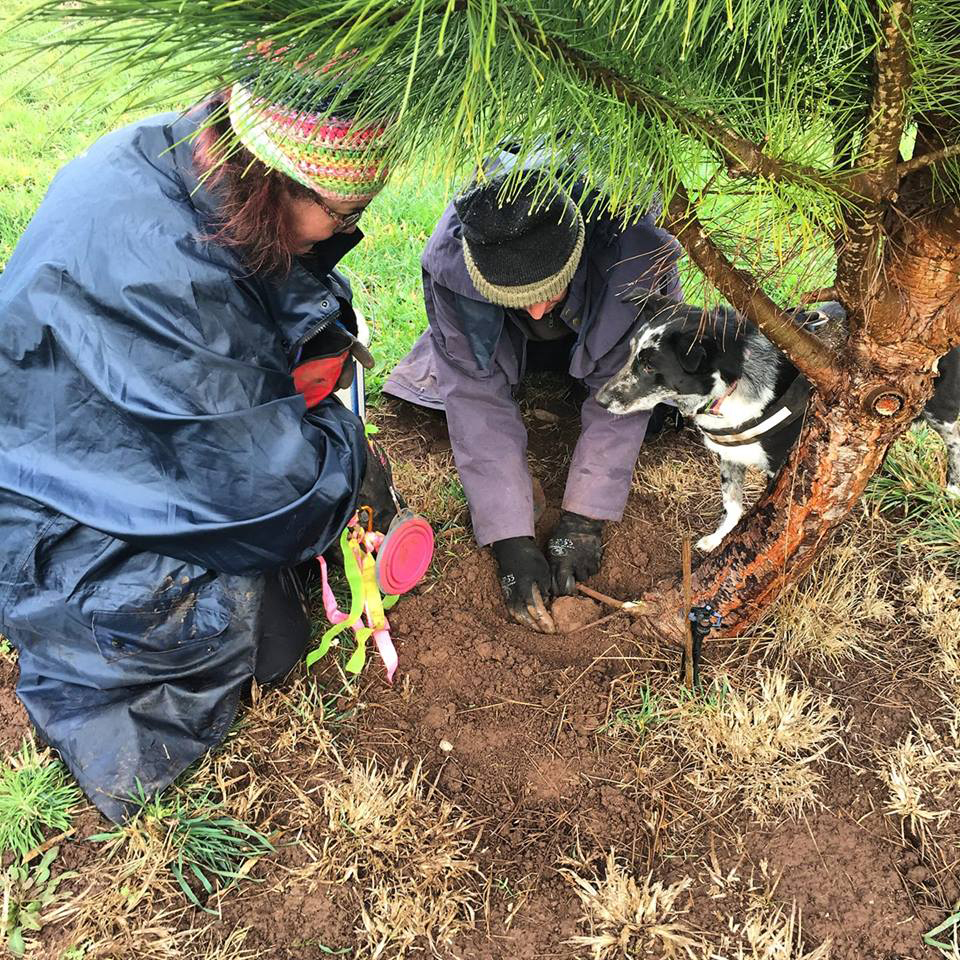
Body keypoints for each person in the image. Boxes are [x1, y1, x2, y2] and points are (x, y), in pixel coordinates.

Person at [0, 55, 397, 821]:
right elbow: (276, 498)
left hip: (71, 426)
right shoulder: (172, 272)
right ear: (276, 177)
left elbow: (271, 298)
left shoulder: (181, 156)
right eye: (343, 215)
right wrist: (347, 451)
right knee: (254, 635)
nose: (347, 230)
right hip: (51, 509)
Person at [384, 161, 682, 633]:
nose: (539, 308)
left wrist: (585, 517)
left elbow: (624, 387)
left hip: (603, 303)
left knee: (662, 403)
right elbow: (475, 396)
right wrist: (510, 538)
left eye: (549, 290)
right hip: (505, 331)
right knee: (445, 385)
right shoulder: (453, 266)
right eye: (521, 296)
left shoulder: (635, 255)